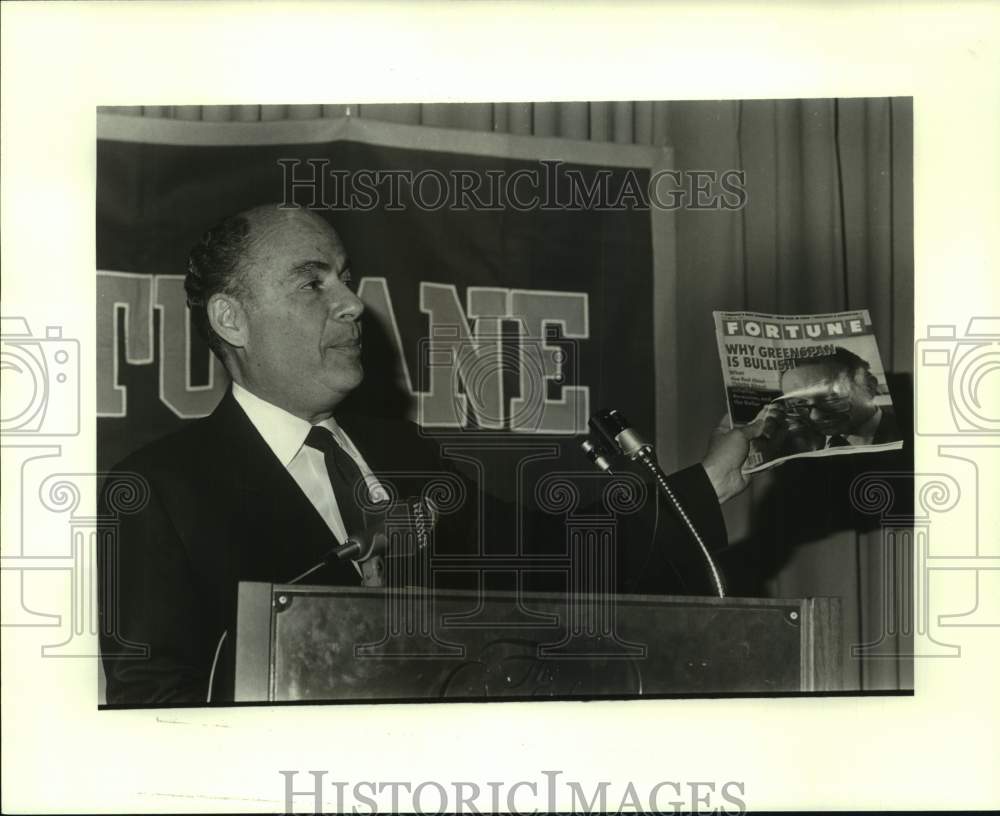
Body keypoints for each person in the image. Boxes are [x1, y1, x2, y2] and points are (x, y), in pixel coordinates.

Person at [98, 204, 760, 705]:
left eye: (347, 279)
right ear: (231, 320)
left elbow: (553, 555)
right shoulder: (160, 489)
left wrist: (708, 482)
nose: (354, 303)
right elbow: (155, 707)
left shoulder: (400, 450)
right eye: (313, 284)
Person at [757, 348, 900, 458]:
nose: (815, 417)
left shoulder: (908, 435)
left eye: (831, 398)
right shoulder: (788, 447)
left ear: (869, 386)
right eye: (798, 403)